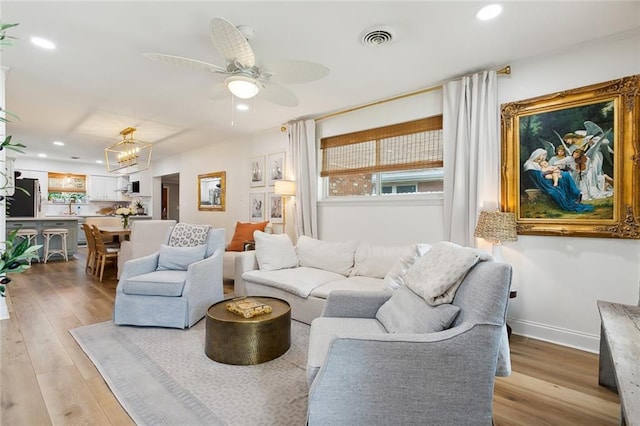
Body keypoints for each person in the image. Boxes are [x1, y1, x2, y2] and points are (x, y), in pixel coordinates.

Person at [523, 148, 594, 212]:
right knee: (563, 177)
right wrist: (550, 171)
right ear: (537, 155)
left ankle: (575, 194)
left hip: (545, 176)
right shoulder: (529, 164)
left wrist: (553, 171)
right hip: (542, 181)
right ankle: (574, 194)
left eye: (544, 155)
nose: (543, 157)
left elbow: (543, 170)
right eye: (542, 155)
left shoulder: (537, 163)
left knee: (565, 175)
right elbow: (538, 176)